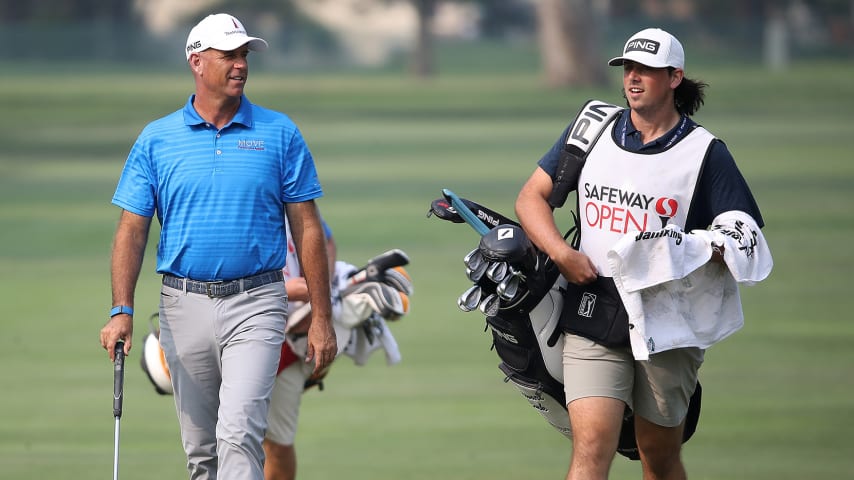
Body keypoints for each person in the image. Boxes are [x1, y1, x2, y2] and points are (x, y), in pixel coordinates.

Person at [515, 28, 770, 479]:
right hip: (593, 302)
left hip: (667, 316)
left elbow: (742, 232)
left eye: (647, 70)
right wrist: (561, 255)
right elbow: (530, 199)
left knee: (659, 455)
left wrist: (693, 247)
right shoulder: (592, 129)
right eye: (628, 68)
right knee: (592, 447)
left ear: (674, 77)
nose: (634, 78)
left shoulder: (705, 153)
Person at [98, 12, 338, 480]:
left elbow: (308, 228)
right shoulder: (157, 139)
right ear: (196, 61)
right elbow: (131, 230)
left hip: (258, 301)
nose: (240, 65)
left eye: (244, 54)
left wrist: (323, 318)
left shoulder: (280, 133)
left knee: (239, 433)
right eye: (228, 55)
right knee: (202, 451)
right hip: (182, 305)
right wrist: (121, 309)